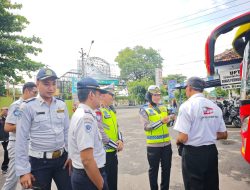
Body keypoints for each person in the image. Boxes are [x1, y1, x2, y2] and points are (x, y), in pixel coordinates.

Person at [15, 68, 72, 190]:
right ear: (37, 83)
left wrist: (71, 155)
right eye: (46, 84)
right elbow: (21, 140)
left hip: (62, 160)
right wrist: (23, 171)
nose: (51, 88)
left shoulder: (61, 105)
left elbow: (67, 131)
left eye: (54, 84)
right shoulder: (27, 107)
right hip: (39, 162)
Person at [174, 77, 228, 190]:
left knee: (193, 186)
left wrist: (177, 141)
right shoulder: (215, 107)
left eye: (185, 88)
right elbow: (224, 134)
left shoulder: (187, 106)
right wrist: (209, 134)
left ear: (189, 88)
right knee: (211, 185)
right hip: (211, 153)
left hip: (193, 154)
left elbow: (183, 138)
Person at [69, 77, 108, 190]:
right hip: (89, 177)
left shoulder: (82, 113)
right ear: (91, 95)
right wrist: (101, 184)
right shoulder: (85, 118)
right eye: (99, 94)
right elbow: (87, 160)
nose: (101, 97)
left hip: (86, 174)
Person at [1, 82, 37, 190]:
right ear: (27, 91)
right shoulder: (18, 105)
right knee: (12, 179)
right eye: (34, 93)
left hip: (28, 144)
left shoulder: (31, 106)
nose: (36, 96)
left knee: (28, 179)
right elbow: (7, 127)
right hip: (17, 144)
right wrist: (25, 124)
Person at [139, 85, 172, 190]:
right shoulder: (144, 110)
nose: (157, 97)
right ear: (149, 96)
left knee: (166, 169)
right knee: (154, 170)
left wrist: (171, 119)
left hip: (167, 144)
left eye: (159, 95)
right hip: (153, 146)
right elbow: (146, 127)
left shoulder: (163, 107)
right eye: (155, 95)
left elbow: (167, 125)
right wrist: (161, 121)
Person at [96, 84, 124, 190]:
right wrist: (116, 145)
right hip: (103, 155)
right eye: (111, 94)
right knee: (104, 184)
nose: (113, 97)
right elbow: (101, 133)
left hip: (113, 153)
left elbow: (117, 127)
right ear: (102, 95)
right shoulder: (98, 110)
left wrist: (120, 140)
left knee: (113, 183)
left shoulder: (111, 110)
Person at [0, 107, 9, 175]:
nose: (7, 111)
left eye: (7, 110)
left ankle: (6, 167)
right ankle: (4, 168)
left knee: (8, 152)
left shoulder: (9, 118)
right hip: (3, 139)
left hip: (10, 138)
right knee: (7, 152)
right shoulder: (1, 119)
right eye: (5, 110)